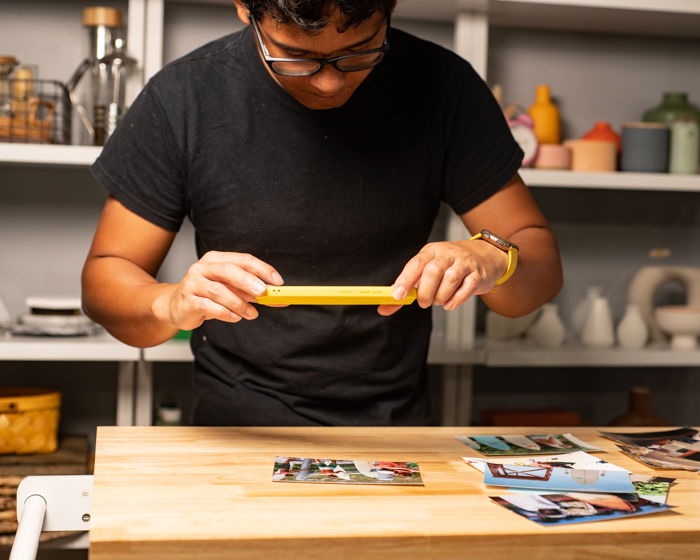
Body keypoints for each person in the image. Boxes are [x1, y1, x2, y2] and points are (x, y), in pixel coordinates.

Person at [81, 0, 562, 426]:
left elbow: (539, 265)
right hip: (236, 430)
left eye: (359, 51)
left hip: (397, 427)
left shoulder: (445, 86)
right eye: (296, 57)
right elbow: (106, 278)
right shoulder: (183, 97)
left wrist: (495, 257)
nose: (330, 83)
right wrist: (171, 304)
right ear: (245, 7)